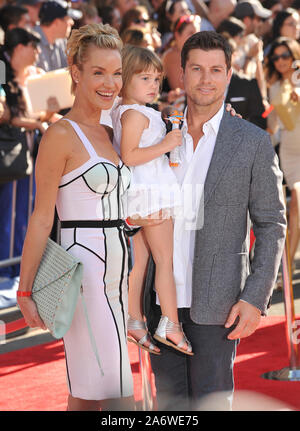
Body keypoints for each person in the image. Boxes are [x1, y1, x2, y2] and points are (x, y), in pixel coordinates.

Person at [144, 31, 286, 411]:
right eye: (197, 69)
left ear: (228, 75)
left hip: (218, 303)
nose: (206, 79)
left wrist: (256, 298)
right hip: (160, 300)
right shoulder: (156, 131)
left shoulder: (252, 141)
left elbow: (271, 224)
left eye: (215, 70)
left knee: (211, 404)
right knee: (170, 409)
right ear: (182, 73)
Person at [16, 23, 136, 411]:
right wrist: (25, 289)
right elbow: (39, 219)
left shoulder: (111, 129)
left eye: (116, 73)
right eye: (99, 72)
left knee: (88, 394)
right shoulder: (60, 136)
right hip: (85, 275)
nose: (110, 83)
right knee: (116, 395)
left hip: (119, 276)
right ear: (76, 72)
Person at [111, 45, 193, 355]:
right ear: (126, 79)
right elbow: (129, 156)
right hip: (151, 195)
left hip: (145, 194)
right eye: (145, 78)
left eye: (157, 78)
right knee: (165, 261)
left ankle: (135, 319)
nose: (153, 85)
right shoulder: (134, 113)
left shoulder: (131, 111)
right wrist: (168, 143)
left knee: (142, 262)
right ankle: (170, 323)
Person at [266, 37, 300, 269]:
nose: (280, 61)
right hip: (289, 151)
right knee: (296, 202)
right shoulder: (274, 86)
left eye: (284, 55)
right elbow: (274, 126)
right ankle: (286, 269)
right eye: (275, 57)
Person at [33, 0, 82, 72]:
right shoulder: (30, 42)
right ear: (56, 22)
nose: (72, 22)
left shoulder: (61, 40)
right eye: (68, 18)